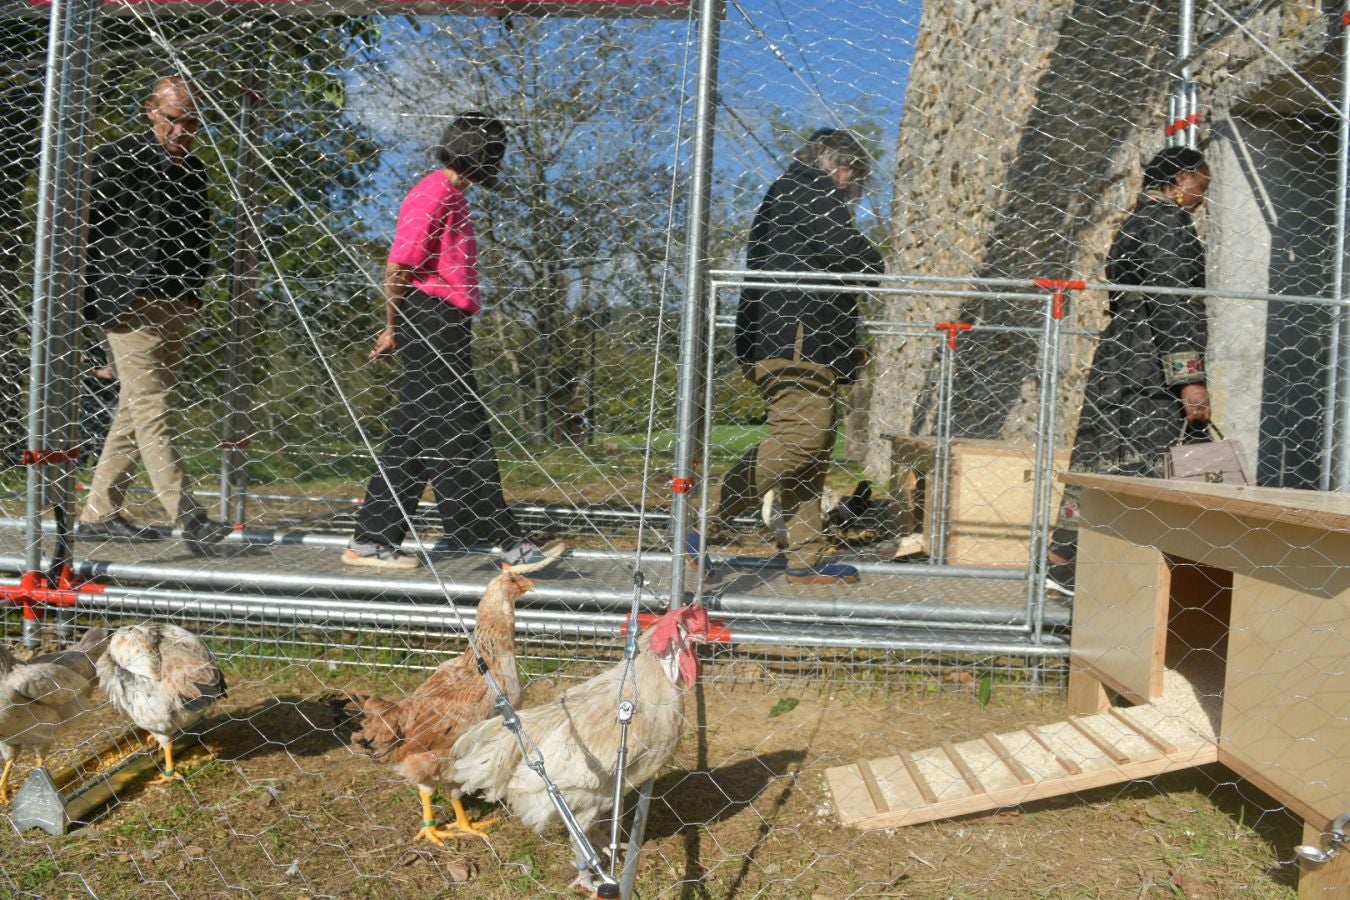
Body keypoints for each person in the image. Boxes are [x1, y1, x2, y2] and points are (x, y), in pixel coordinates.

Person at [344, 112, 564, 573]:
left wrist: (396, 327)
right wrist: (393, 325)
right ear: (484, 157)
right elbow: (398, 265)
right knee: (461, 427)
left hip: (438, 321)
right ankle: (506, 540)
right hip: (430, 318)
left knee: (412, 434)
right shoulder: (434, 192)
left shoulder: (451, 195)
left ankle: (371, 540)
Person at [696, 128, 884, 586]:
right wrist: (874, 261)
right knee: (803, 436)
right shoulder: (807, 185)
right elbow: (843, 250)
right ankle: (699, 521)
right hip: (795, 338)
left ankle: (806, 556)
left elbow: (827, 254)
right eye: (852, 174)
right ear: (834, 164)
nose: (852, 187)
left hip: (806, 339)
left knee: (812, 450)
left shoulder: (796, 192)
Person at [1046, 145, 1213, 596]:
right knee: (1148, 458)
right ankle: (1123, 576)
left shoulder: (1135, 222)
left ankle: (1065, 559)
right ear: (1179, 179)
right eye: (1202, 181)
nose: (1204, 192)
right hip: (1148, 360)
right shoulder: (1167, 222)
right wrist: (1189, 377)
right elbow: (1172, 302)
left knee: (1103, 458)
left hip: (1121, 352)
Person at [76, 76, 228, 554]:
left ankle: (98, 512)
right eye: (174, 119)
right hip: (131, 304)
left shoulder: (195, 172)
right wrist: (88, 313)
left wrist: (193, 298)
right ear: (150, 110)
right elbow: (85, 237)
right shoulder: (115, 158)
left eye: (193, 123)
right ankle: (189, 515)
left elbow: (200, 236)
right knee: (152, 407)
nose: (184, 131)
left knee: (133, 409)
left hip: (177, 304)